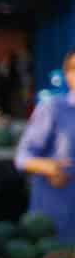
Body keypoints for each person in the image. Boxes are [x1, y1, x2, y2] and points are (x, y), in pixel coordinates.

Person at [16, 48, 75, 241]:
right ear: (68, 75)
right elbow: (23, 157)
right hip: (55, 224)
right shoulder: (53, 109)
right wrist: (50, 167)